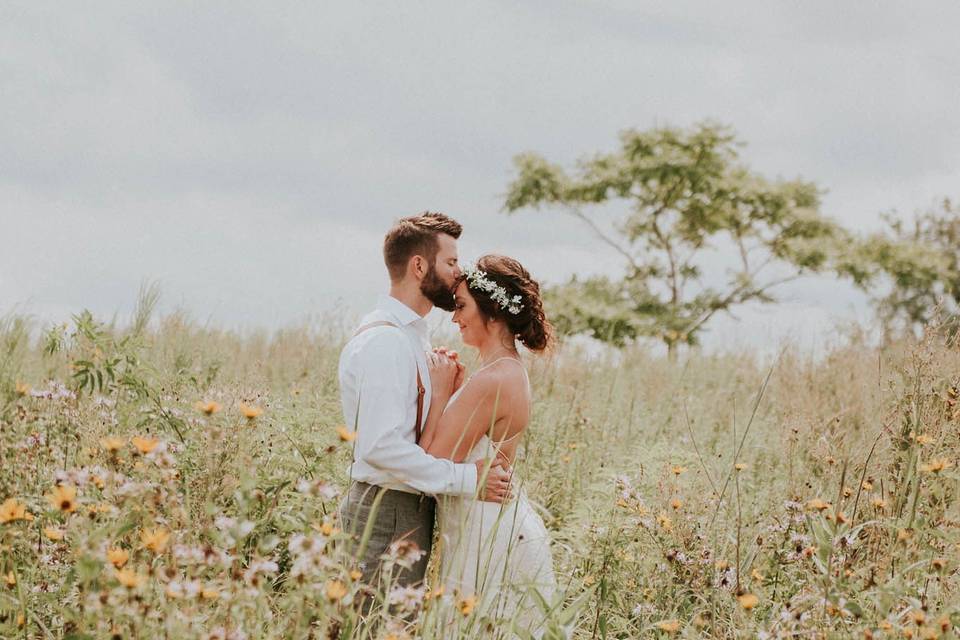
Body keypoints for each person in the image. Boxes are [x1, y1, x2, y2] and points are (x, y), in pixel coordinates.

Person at [337, 212, 512, 597]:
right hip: (385, 511)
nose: (457, 273)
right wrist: (470, 479)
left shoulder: (414, 339)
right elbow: (381, 446)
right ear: (419, 266)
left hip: (408, 507)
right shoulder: (385, 342)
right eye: (450, 262)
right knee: (378, 624)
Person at [421, 254, 558, 636]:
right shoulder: (509, 371)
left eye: (461, 306)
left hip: (485, 536)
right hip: (495, 525)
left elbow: (433, 465)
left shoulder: (493, 379)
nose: (454, 317)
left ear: (493, 310)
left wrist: (438, 393)